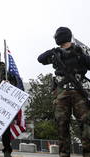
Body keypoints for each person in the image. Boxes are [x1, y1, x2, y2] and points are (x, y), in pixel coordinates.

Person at [38, 27, 90, 157]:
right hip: (62, 92)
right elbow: (40, 59)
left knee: (86, 124)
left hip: (79, 91)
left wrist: (81, 55)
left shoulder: (80, 50)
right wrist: (53, 51)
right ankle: (64, 154)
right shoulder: (55, 53)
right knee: (62, 124)